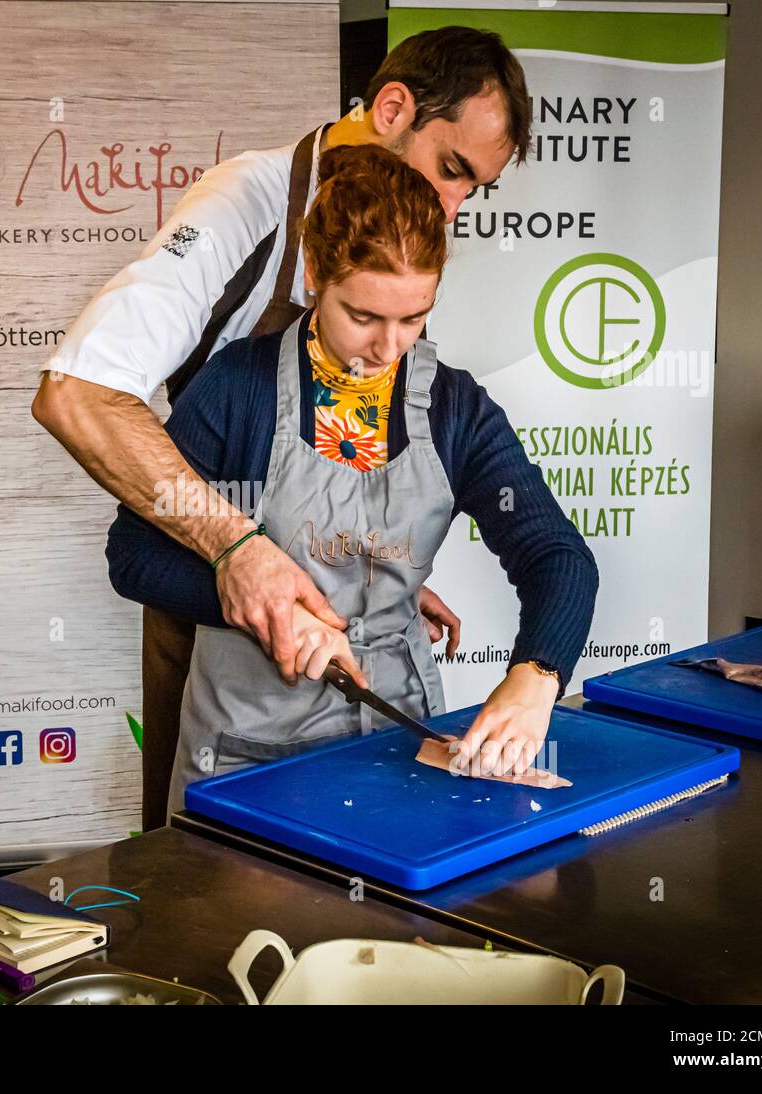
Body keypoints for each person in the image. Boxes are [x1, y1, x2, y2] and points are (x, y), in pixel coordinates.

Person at [34, 26, 534, 828]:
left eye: (475, 190)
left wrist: (366, 572)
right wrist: (240, 555)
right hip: (212, 594)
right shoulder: (248, 203)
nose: (451, 208)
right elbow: (79, 392)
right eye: (449, 170)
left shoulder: (397, 247)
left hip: (328, 610)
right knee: (203, 863)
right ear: (393, 107)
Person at [105, 143, 598, 815]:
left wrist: (535, 676)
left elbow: (557, 557)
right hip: (248, 754)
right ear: (315, 275)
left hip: (400, 742)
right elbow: (133, 556)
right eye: (363, 316)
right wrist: (263, 607)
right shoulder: (236, 390)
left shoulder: (455, 409)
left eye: (413, 317)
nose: (389, 346)